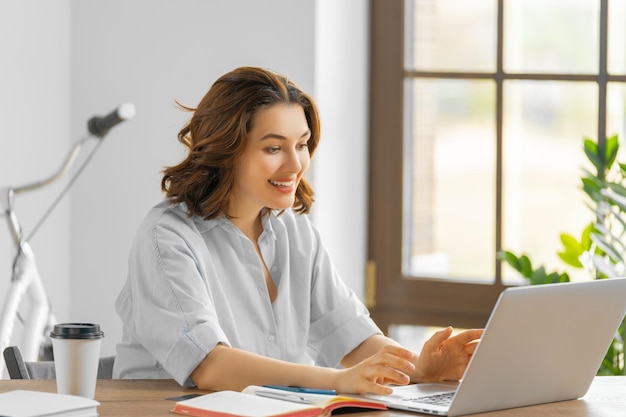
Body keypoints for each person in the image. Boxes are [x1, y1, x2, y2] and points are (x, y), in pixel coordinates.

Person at [112, 66, 482, 395]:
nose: (295, 164)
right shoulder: (166, 237)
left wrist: (417, 368)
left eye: (302, 145)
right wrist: (338, 380)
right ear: (226, 151)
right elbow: (208, 365)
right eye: (274, 148)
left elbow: (351, 335)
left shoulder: (296, 233)